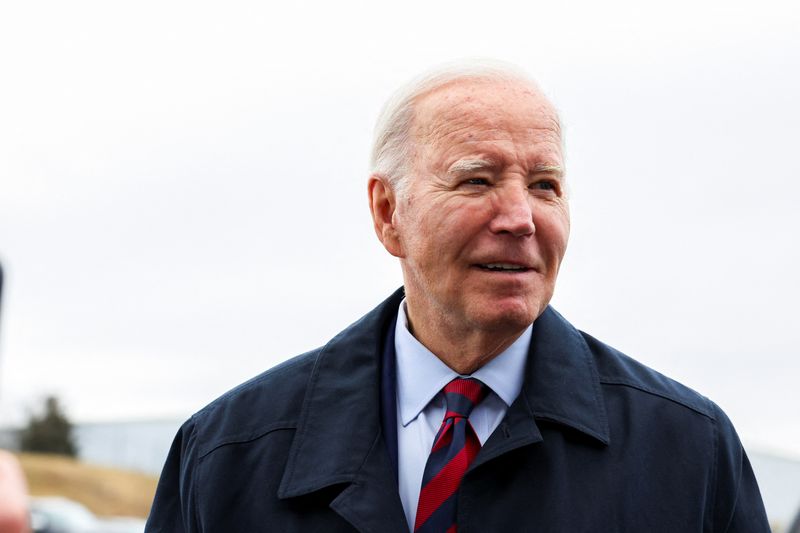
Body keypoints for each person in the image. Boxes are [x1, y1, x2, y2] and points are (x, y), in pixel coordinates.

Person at [145, 63, 770, 532]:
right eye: (477, 179)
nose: (521, 218)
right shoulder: (228, 455)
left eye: (545, 185)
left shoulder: (688, 451)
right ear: (388, 212)